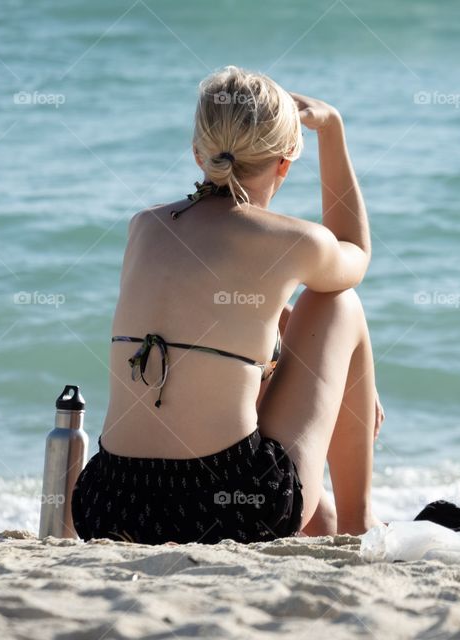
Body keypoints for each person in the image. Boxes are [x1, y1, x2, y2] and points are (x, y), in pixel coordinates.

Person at [71, 65, 383, 544]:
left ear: (198, 153)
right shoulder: (293, 240)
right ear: (285, 161)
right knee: (340, 303)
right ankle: (361, 525)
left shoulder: (144, 227)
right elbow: (354, 256)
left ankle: (324, 526)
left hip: (109, 502)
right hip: (234, 507)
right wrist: (333, 129)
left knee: (244, 353)